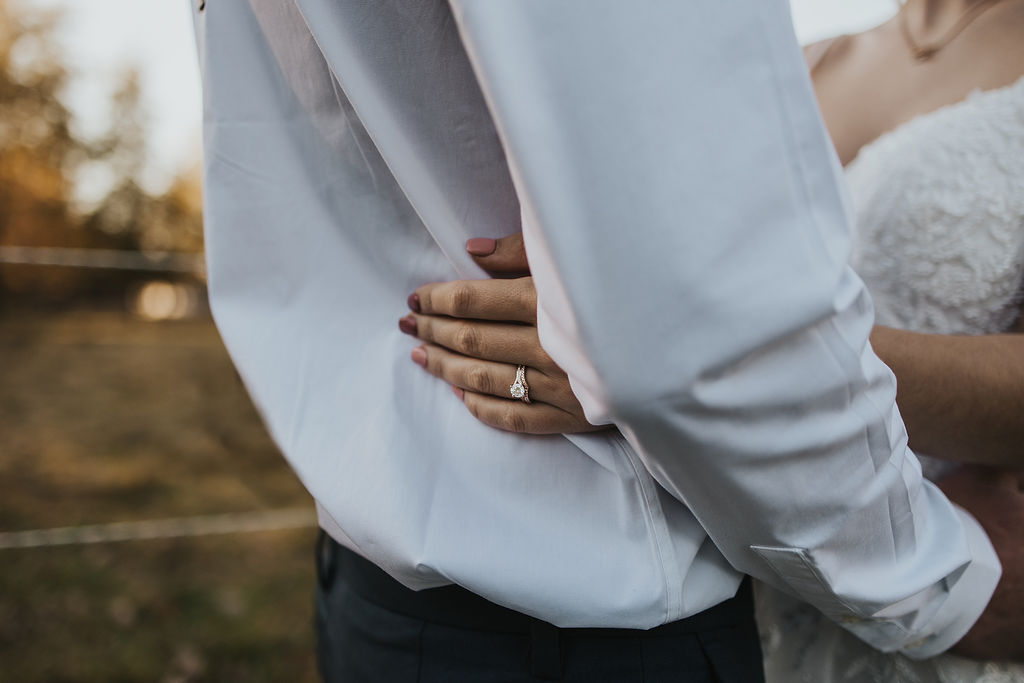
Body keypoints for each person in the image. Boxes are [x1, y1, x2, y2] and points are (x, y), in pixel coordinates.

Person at [194, 1, 1005, 681]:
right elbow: (673, 347)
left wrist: (617, 356)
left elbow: (668, 346)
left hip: (390, 588)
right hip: (700, 595)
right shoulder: (813, 58)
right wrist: (931, 578)